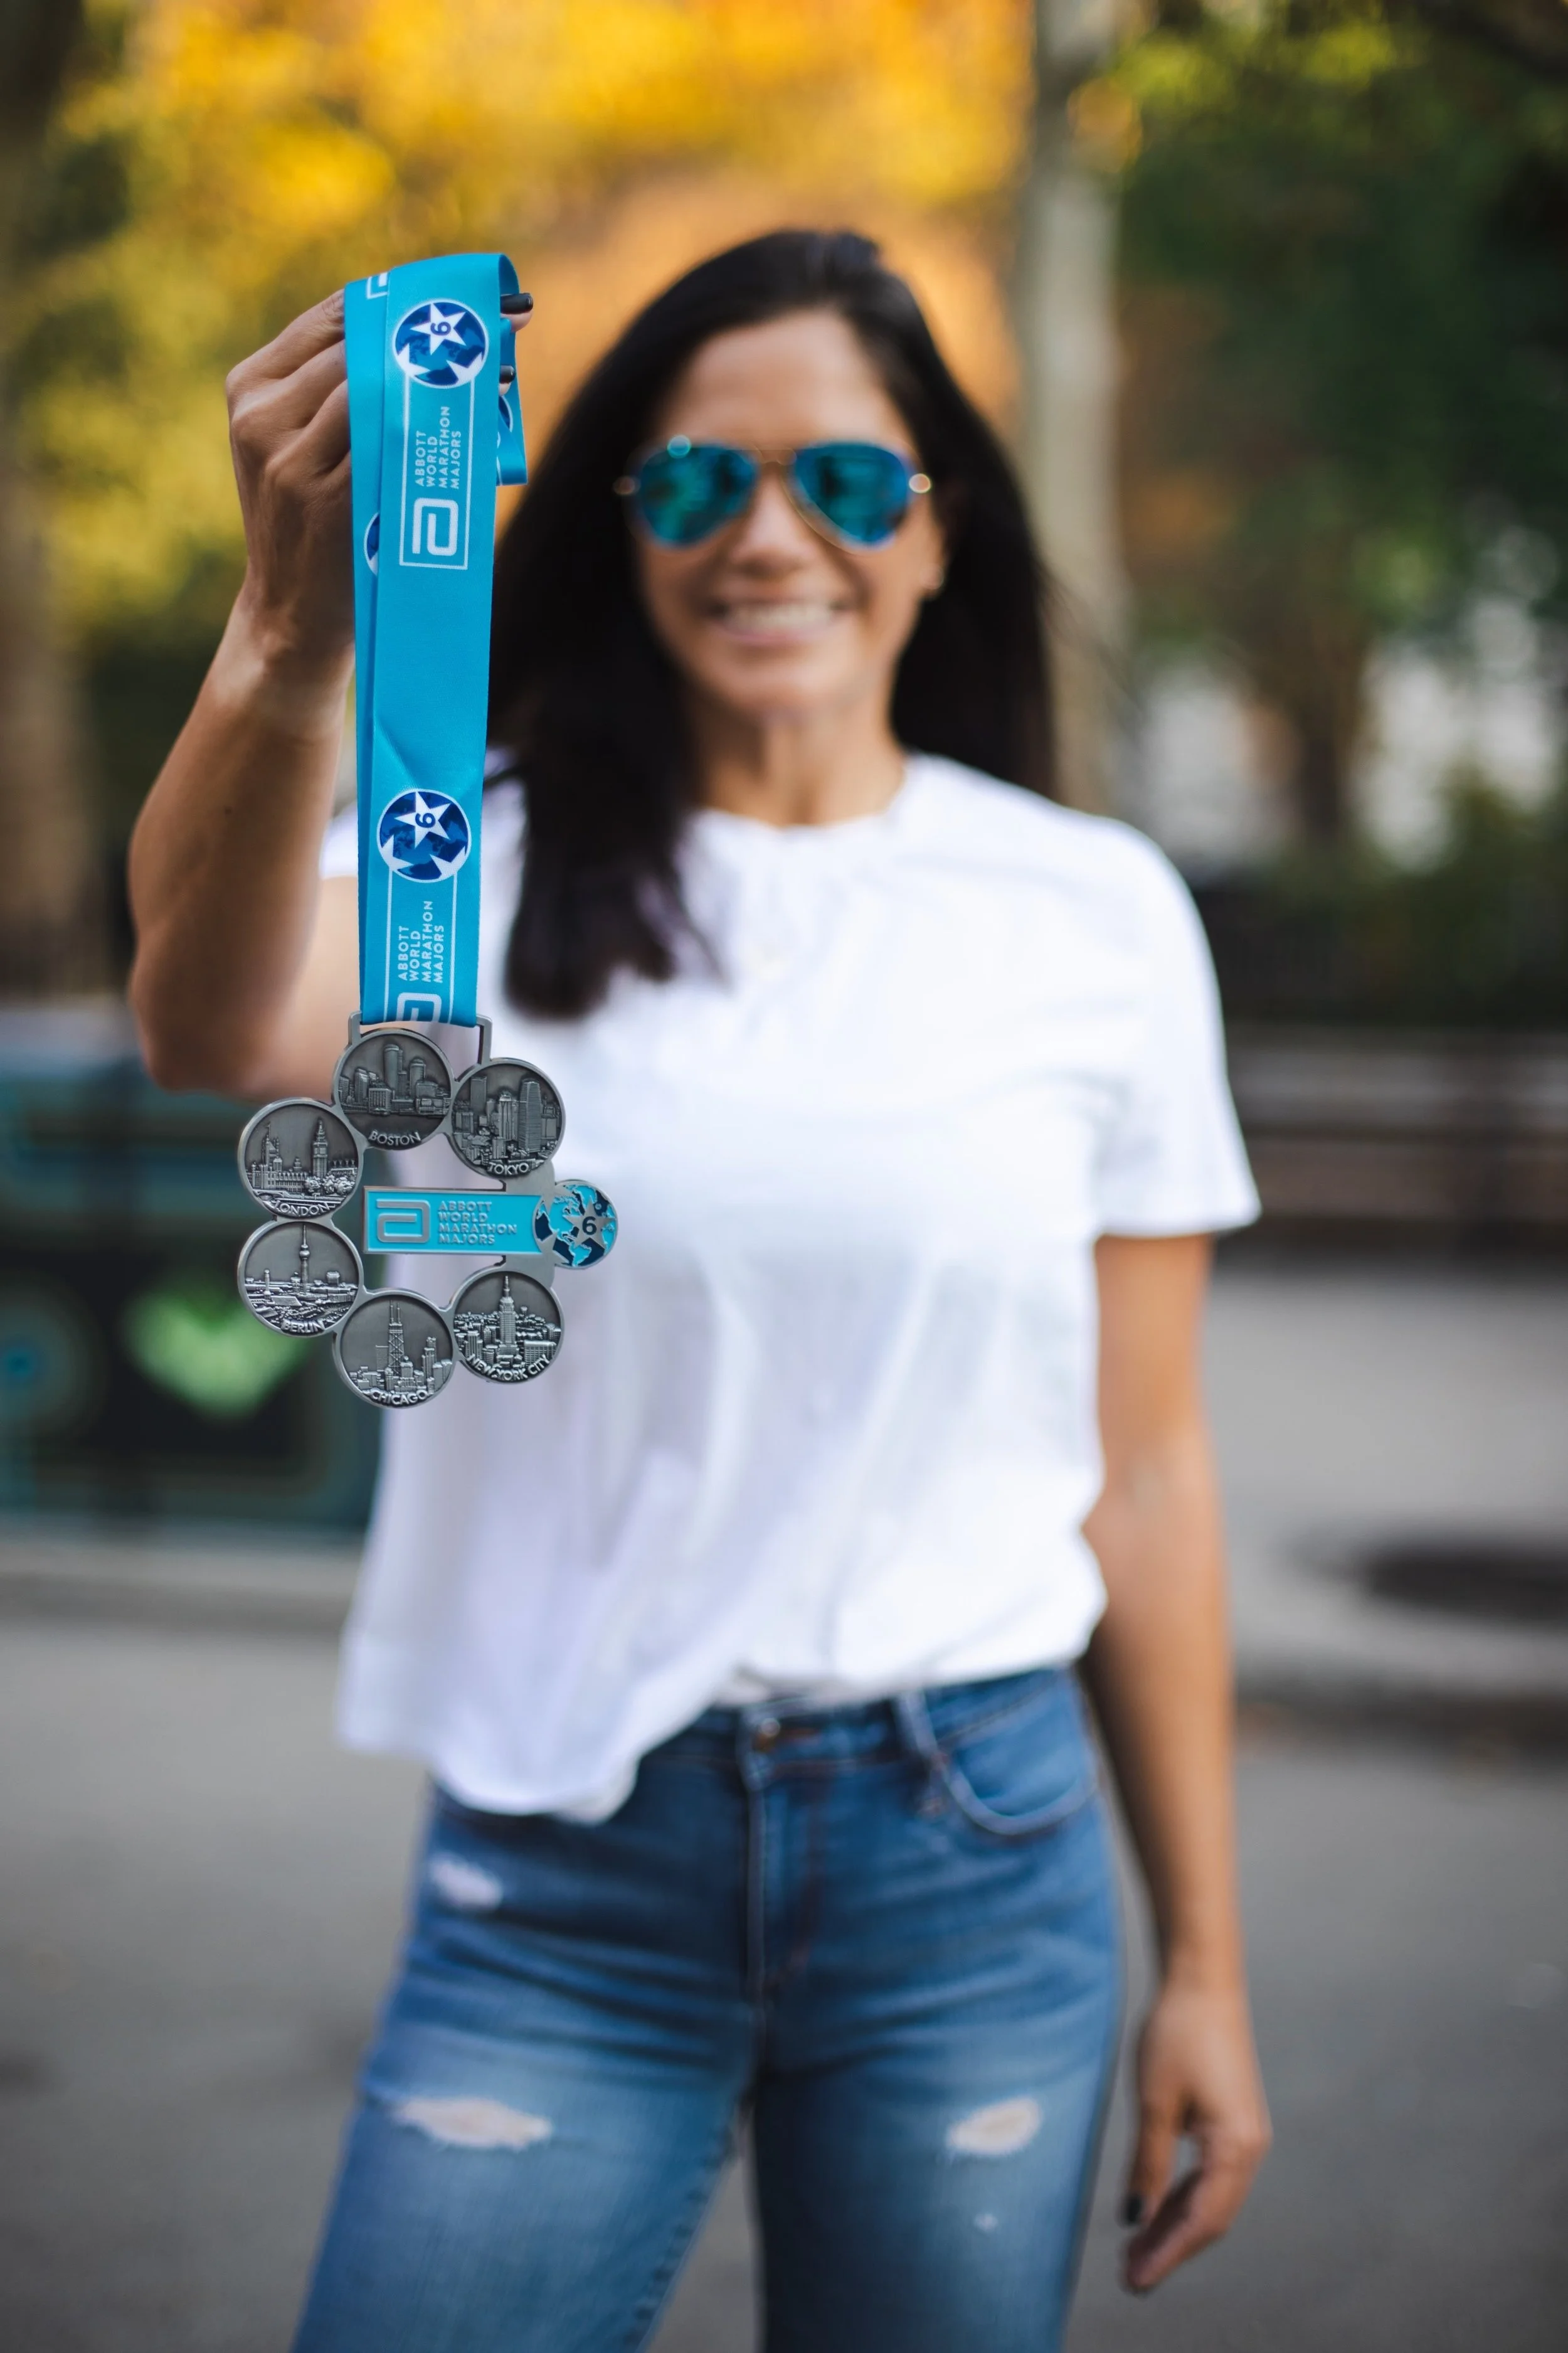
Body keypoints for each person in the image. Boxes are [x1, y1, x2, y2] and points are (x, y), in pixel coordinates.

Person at [128, 229, 1270, 2352]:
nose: (767, 534)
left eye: (842, 483)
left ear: (938, 535)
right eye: (687, 484)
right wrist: (292, 637)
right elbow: (204, 1025)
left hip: (972, 1855)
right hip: (564, 1870)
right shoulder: (455, 870)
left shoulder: (1094, 917)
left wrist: (1201, 1957)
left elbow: (1146, 1468)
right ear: (615, 533)